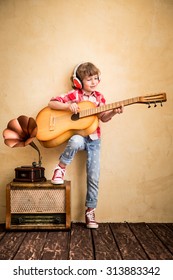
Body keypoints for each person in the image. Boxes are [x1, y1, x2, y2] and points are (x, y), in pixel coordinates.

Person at [48, 62, 124, 229]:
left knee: (93, 176)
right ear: (78, 81)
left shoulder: (99, 98)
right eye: (89, 79)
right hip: (80, 137)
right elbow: (52, 103)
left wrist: (113, 112)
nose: (94, 82)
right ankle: (60, 168)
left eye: (96, 78)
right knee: (75, 140)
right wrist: (68, 106)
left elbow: (103, 118)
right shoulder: (75, 95)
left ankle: (90, 211)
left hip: (94, 139)